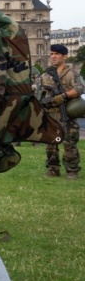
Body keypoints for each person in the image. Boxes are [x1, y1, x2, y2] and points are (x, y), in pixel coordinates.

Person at [38, 44, 83, 179]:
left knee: (69, 143)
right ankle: (53, 169)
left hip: (66, 113)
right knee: (50, 144)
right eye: (52, 54)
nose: (53, 56)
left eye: (57, 54)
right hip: (50, 113)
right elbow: (39, 90)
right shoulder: (46, 75)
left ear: (64, 56)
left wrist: (63, 96)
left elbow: (79, 88)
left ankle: (72, 170)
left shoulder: (71, 73)